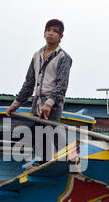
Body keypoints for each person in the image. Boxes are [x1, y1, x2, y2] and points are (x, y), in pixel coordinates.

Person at [5, 19, 72, 163]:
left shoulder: (63, 57)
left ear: (61, 36)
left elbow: (62, 85)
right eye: (48, 30)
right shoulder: (37, 55)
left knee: (51, 135)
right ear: (44, 33)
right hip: (37, 104)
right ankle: (42, 165)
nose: (51, 33)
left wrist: (49, 104)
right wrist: (15, 104)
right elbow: (29, 83)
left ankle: (71, 159)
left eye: (55, 31)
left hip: (53, 105)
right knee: (40, 139)